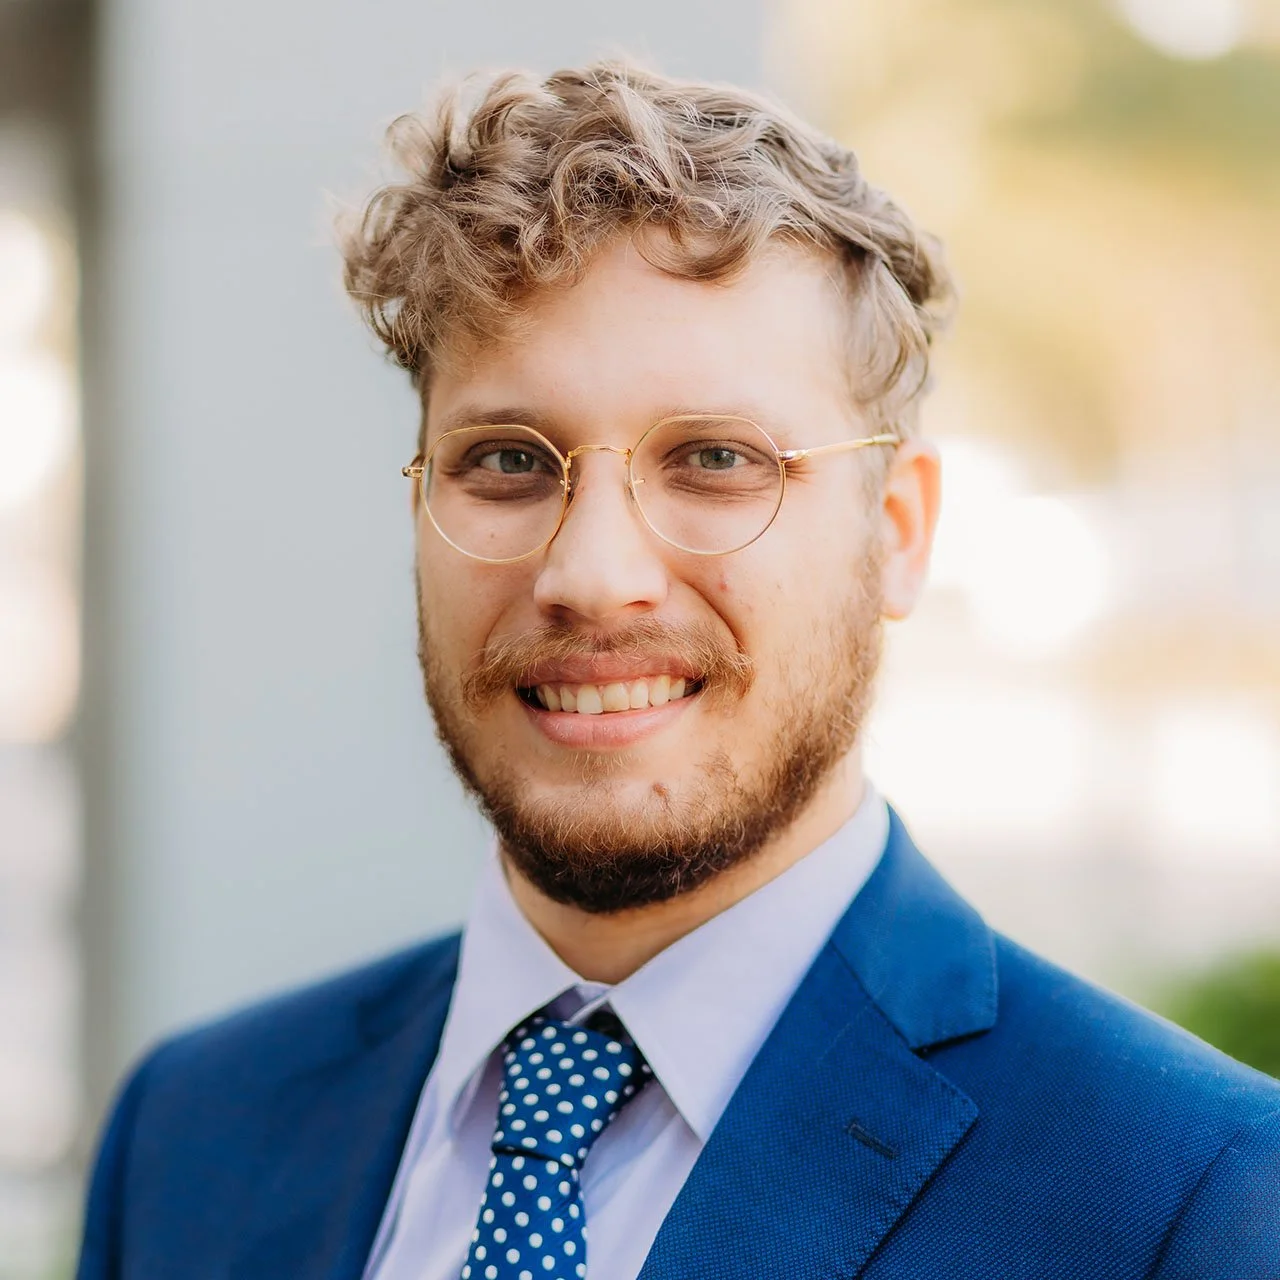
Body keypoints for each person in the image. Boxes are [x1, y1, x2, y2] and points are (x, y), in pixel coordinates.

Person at [76, 61, 1280, 1280]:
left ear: (898, 532)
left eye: (714, 457)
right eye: (506, 460)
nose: (592, 574)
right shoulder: (190, 1133)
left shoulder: (1189, 1198)